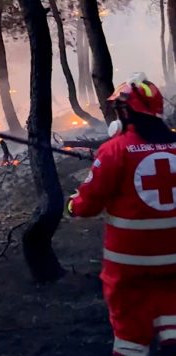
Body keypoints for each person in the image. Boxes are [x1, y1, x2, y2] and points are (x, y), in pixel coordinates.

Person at [68, 73, 176, 356]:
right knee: (170, 301)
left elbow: (87, 204)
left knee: (130, 326)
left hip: (129, 264)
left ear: (126, 112)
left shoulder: (115, 150)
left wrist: (72, 205)